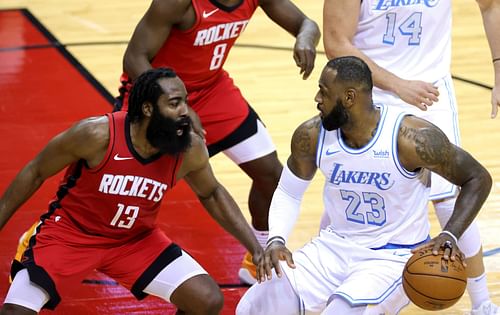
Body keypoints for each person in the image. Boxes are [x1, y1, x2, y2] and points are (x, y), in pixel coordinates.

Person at [236, 57, 492, 314]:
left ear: (349, 97)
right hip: (333, 247)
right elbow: (289, 191)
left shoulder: (411, 139)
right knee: (255, 304)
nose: (317, 98)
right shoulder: (311, 135)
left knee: (339, 312)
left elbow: (477, 178)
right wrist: (276, 240)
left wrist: (449, 234)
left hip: (390, 258)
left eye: (324, 91)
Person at [0, 68, 263, 314]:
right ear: (148, 108)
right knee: (15, 311)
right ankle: (34, 239)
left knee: (207, 300)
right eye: (174, 103)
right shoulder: (96, 134)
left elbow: (212, 193)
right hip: (71, 235)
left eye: (185, 101)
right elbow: (35, 172)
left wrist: (256, 247)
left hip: (134, 240)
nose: (185, 111)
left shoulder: (188, 148)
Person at [113, 0, 320, 285]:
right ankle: (47, 232)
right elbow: (135, 58)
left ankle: (256, 258)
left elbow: (306, 23)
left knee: (271, 173)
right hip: (158, 97)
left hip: (212, 91)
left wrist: (305, 37)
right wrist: (180, 105)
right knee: (114, 187)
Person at [322, 1, 500, 313]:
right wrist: (398, 85)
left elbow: (491, 6)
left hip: (430, 94)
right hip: (368, 93)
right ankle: (328, 278)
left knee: (447, 199)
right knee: (350, 190)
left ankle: (482, 302)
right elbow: (337, 42)